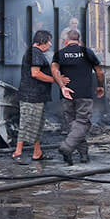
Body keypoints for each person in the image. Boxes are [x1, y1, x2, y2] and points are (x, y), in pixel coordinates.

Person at [13, 30, 67, 163]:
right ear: (42, 41)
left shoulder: (35, 53)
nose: (50, 44)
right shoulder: (34, 53)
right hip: (31, 96)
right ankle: (17, 152)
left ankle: (37, 153)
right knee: (27, 123)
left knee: (37, 125)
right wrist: (56, 80)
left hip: (37, 96)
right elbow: (35, 73)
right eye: (49, 41)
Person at [53, 29, 103, 165]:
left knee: (73, 124)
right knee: (82, 123)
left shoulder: (60, 53)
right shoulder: (88, 52)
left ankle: (82, 154)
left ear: (66, 41)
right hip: (84, 94)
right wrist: (100, 86)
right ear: (79, 41)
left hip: (66, 94)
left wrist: (61, 85)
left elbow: (54, 70)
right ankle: (67, 146)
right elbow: (99, 72)